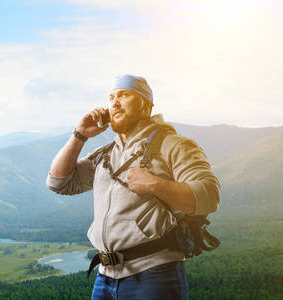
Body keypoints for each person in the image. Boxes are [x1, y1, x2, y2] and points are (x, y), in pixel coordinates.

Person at [46, 74, 220, 299]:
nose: (115, 102)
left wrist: (155, 185)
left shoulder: (174, 145)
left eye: (124, 95)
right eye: (111, 97)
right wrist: (80, 136)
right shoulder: (107, 153)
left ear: (146, 105)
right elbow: (59, 182)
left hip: (155, 274)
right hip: (105, 277)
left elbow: (209, 195)